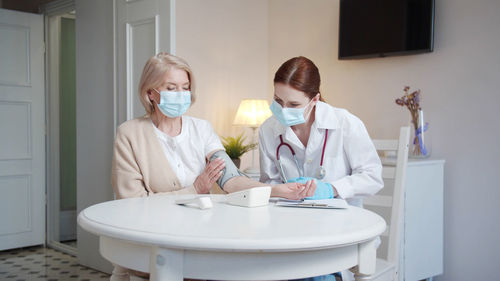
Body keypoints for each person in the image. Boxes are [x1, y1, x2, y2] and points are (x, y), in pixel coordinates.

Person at [111, 53, 316, 281]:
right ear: (151, 93)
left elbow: (231, 179)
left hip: (197, 243)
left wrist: (278, 191)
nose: (181, 95)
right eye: (171, 88)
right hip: (149, 246)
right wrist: (194, 189)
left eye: (185, 87)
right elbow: (132, 204)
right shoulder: (129, 134)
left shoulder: (202, 130)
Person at [259, 56, 384, 281]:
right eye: (278, 100)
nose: (283, 109)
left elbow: (372, 177)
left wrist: (332, 189)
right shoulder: (268, 130)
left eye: (293, 104)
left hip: (341, 231)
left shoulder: (345, 123)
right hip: (288, 230)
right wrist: (283, 190)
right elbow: (269, 183)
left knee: (312, 274)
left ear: (314, 99)